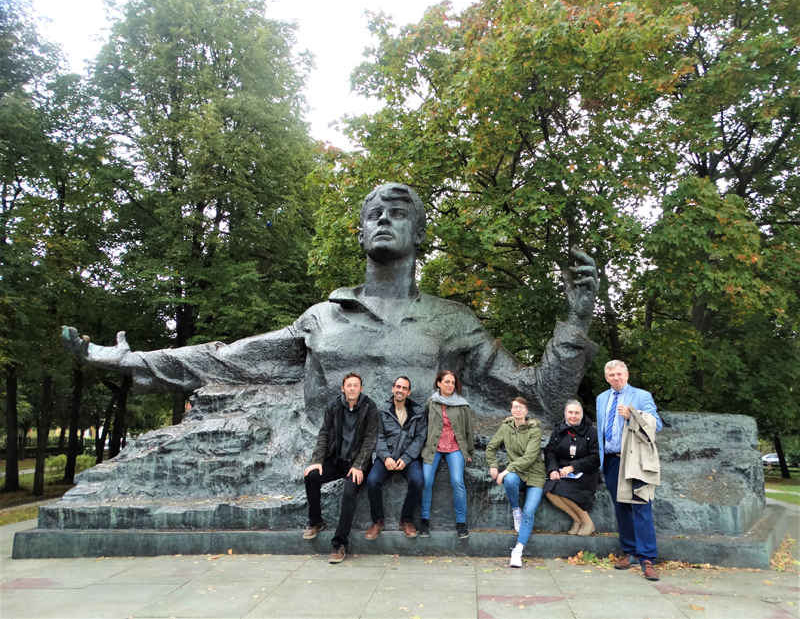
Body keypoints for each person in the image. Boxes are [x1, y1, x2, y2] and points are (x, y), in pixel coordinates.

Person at [62, 183, 599, 427]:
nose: (383, 218)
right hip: (330, 464)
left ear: (419, 233)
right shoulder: (322, 317)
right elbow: (228, 359)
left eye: (398, 212)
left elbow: (538, 397)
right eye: (373, 214)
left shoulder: (453, 321)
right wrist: (132, 360)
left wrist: (577, 321)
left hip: (416, 464)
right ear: (361, 232)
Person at [596, 360, 663, 581]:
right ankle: (631, 552)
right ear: (606, 378)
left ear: (627, 375)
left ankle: (647, 558)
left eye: (619, 374)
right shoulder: (601, 398)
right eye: (611, 375)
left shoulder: (641, 396)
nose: (615, 378)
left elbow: (657, 425)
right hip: (612, 461)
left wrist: (632, 415)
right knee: (621, 508)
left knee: (641, 506)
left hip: (635, 460)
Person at [303, 372, 378, 564]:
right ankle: (315, 521)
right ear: (342, 388)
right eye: (349, 385)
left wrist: (359, 465)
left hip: (358, 464)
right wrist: (317, 460)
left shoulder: (369, 407)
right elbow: (324, 433)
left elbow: (370, 439)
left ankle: (339, 544)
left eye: (356, 385)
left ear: (361, 388)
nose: (352, 388)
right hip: (337, 461)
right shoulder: (333, 406)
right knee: (311, 476)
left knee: (349, 492)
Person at [486, 397, 546, 568]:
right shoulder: (506, 428)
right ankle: (515, 510)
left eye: (521, 407)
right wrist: (493, 465)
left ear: (526, 411)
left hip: (535, 475)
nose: (518, 410)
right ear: (511, 410)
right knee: (510, 480)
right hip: (517, 474)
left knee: (529, 511)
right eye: (515, 407)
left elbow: (530, 456)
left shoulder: (534, 430)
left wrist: (506, 470)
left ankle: (518, 550)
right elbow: (491, 447)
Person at [365, 376, 427, 540]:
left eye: (404, 388)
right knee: (372, 481)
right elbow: (377, 436)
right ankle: (377, 521)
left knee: (418, 481)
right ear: (393, 389)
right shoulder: (381, 411)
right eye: (398, 387)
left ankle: (406, 520)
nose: (400, 390)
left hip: (409, 458)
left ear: (409, 392)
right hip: (386, 457)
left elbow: (420, 438)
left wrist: (406, 458)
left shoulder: (418, 412)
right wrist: (386, 457)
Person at [419, 370, 474, 539]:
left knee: (457, 481)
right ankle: (424, 520)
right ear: (438, 383)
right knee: (426, 481)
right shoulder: (431, 402)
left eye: (453, 382)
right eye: (447, 382)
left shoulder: (462, 405)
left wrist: (468, 451)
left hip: (455, 448)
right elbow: (424, 425)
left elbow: (468, 429)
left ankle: (461, 522)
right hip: (433, 448)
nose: (450, 385)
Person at [543, 399, 600, 536]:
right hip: (562, 473)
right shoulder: (558, 430)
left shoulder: (591, 432)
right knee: (549, 489)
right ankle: (577, 520)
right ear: (565, 413)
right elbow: (550, 452)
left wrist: (573, 467)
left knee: (563, 489)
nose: (573, 416)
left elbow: (596, 457)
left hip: (585, 473)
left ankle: (587, 522)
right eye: (570, 412)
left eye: (577, 413)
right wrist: (553, 469)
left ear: (582, 414)